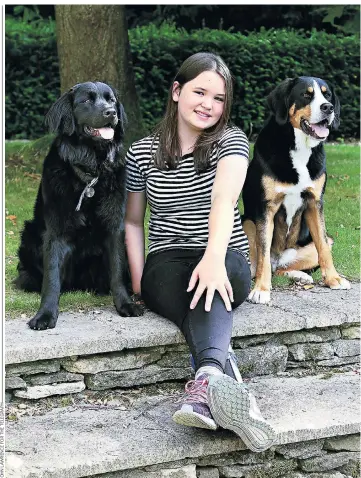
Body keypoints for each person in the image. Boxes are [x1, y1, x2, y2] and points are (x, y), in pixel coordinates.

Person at [125, 52, 276, 453]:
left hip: (227, 257)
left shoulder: (232, 140)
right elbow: (133, 222)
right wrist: (139, 280)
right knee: (192, 288)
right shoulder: (141, 152)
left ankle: (204, 383)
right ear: (177, 91)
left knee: (213, 280)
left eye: (220, 98)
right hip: (167, 263)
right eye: (199, 92)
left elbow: (224, 201)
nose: (209, 104)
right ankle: (219, 379)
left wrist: (212, 260)